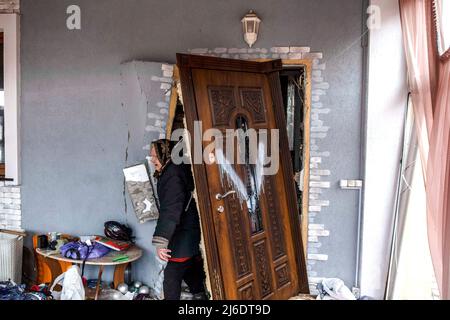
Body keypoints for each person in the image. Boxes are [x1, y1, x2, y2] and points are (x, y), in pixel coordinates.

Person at [149, 139, 207, 300]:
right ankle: (201, 295)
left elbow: (171, 209)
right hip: (188, 229)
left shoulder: (172, 175)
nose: (152, 160)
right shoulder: (174, 169)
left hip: (184, 230)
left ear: (165, 154)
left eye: (155, 156)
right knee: (189, 265)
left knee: (172, 274)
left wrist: (161, 242)